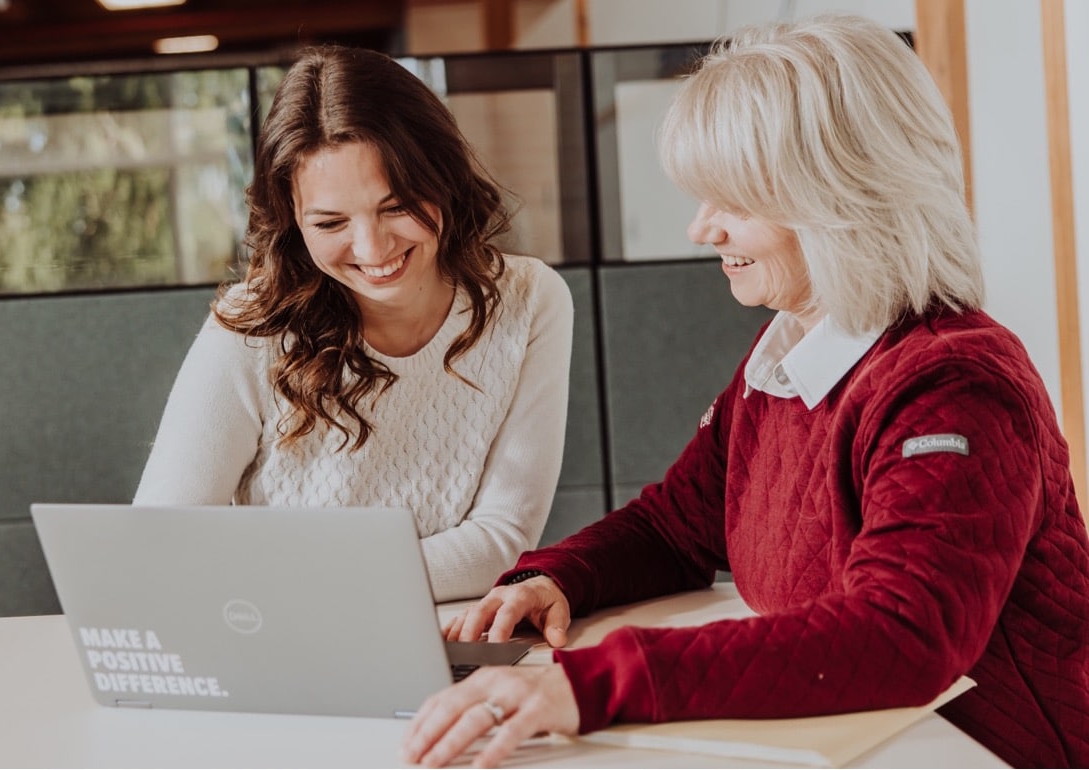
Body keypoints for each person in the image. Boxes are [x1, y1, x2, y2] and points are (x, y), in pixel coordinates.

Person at [402, 13, 1089, 769]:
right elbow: (676, 526)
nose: (702, 229)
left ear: (843, 200)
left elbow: (903, 634)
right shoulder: (791, 352)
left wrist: (589, 687)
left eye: (734, 203)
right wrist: (558, 575)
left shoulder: (955, 384)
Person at [133, 44, 575, 602]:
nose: (372, 248)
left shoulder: (530, 300)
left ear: (441, 178)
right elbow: (159, 540)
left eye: (396, 207)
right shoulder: (251, 328)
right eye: (331, 221)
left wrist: (301, 581)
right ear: (293, 222)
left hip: (448, 640)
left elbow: (501, 541)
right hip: (282, 638)